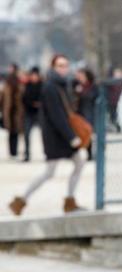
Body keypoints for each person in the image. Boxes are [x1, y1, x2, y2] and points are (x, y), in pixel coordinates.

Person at [8, 54, 86, 215]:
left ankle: (67, 201)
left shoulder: (60, 84)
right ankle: (21, 200)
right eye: (60, 65)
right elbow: (57, 115)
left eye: (65, 65)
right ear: (53, 67)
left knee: (75, 163)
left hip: (58, 136)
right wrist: (71, 137)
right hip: (55, 137)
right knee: (51, 171)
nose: (63, 68)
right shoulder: (51, 87)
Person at [75, 68, 98, 160]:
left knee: (91, 134)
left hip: (91, 113)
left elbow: (95, 97)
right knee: (84, 134)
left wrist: (82, 93)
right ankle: (87, 153)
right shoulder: (77, 86)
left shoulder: (93, 86)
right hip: (81, 114)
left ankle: (93, 153)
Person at [2, 63, 24, 159]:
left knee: (15, 132)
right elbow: (3, 97)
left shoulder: (20, 81)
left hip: (17, 110)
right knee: (11, 132)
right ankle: (12, 152)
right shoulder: (7, 82)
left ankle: (14, 152)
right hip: (8, 110)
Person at [22, 66, 43, 162]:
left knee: (45, 134)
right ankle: (27, 154)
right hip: (29, 113)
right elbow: (23, 99)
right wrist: (32, 103)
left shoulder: (43, 85)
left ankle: (48, 153)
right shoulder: (27, 86)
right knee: (26, 134)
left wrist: (39, 104)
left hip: (40, 113)